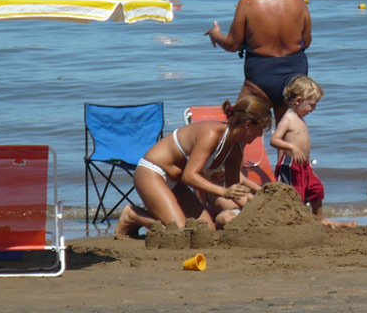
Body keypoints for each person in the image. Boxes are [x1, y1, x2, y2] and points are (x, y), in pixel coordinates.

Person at [114, 96, 272, 239]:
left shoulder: (236, 149)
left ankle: (150, 218)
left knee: (206, 231)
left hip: (176, 183)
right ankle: (133, 215)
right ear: (248, 124)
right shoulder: (211, 134)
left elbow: (234, 190)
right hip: (152, 172)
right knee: (179, 232)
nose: (259, 135)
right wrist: (223, 192)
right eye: (261, 129)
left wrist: (258, 211)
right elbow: (189, 176)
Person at [205, 0, 312, 125]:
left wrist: (215, 35)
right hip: (295, 73)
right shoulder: (298, 0)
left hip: (260, 76)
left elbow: (233, 45)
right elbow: (306, 41)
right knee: (287, 134)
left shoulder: (248, 3)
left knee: (236, 127)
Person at [270, 75, 357, 228]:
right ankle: (294, 223)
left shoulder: (299, 117)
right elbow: (274, 140)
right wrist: (292, 147)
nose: (313, 109)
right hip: (291, 165)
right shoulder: (288, 119)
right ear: (298, 101)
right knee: (294, 195)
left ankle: (319, 219)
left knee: (316, 189)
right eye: (311, 105)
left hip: (304, 164)